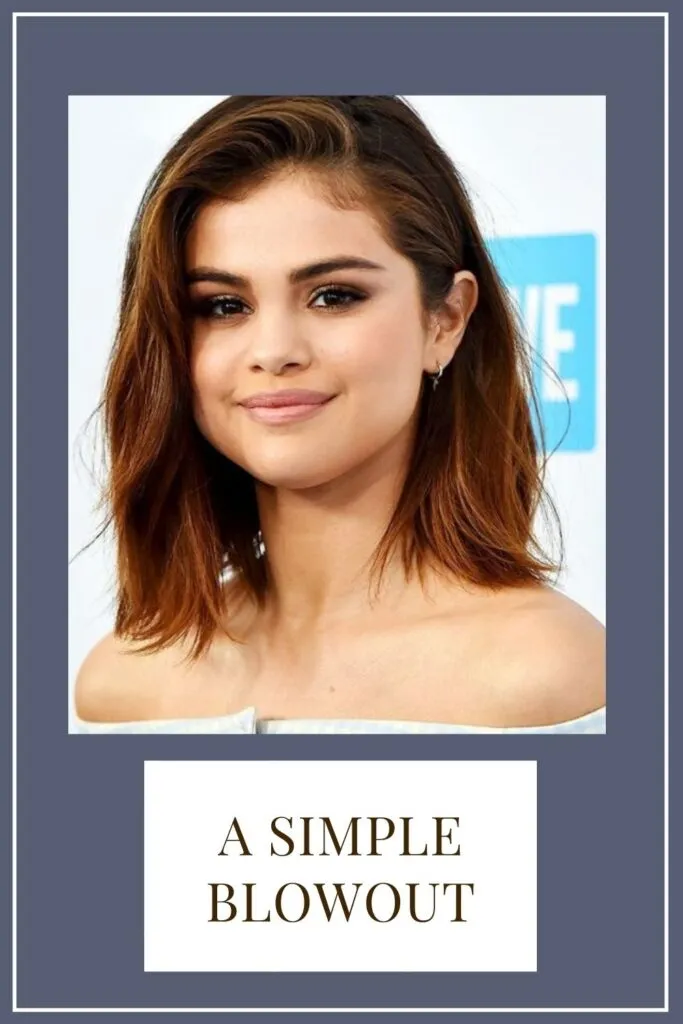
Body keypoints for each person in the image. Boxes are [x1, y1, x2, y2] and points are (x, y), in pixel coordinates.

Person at [73, 95, 605, 734]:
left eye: (333, 296)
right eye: (222, 305)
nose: (273, 352)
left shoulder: (548, 676)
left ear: (447, 319)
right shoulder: (122, 683)